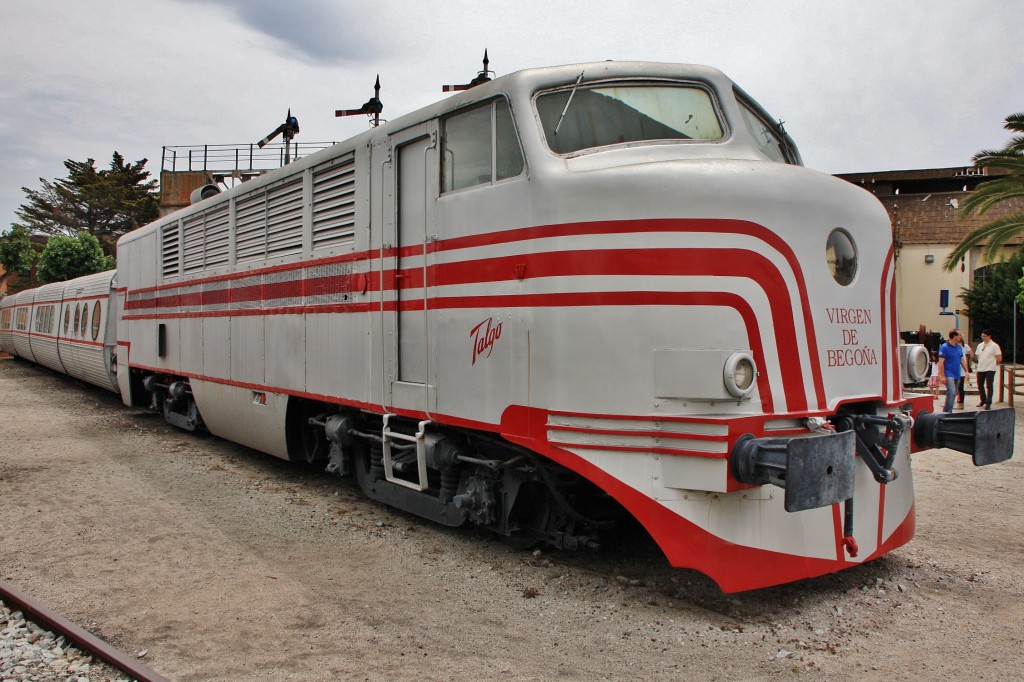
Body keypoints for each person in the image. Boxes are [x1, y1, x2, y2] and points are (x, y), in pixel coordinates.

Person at [936, 329, 970, 413]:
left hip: (957, 373)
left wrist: (966, 371)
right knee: (951, 392)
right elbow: (941, 363)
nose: (961, 337)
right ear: (954, 336)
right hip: (948, 373)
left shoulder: (959, 347)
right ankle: (948, 412)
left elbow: (962, 359)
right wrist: (942, 376)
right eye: (960, 335)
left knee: (954, 393)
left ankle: (946, 410)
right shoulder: (944, 347)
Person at [974, 330, 1003, 410]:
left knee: (989, 385)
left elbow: (999, 358)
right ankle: (982, 399)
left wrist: (993, 363)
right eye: (982, 336)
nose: (983, 338)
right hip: (981, 368)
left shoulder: (994, 346)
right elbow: (977, 355)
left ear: (989, 336)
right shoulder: (980, 345)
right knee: (980, 384)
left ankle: (988, 402)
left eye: (984, 336)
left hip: (990, 368)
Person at [956, 343, 973, 409]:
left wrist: (967, 369)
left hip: (962, 369)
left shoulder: (964, 346)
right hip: (954, 369)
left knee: (960, 386)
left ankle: (961, 401)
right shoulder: (952, 346)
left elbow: (971, 353)